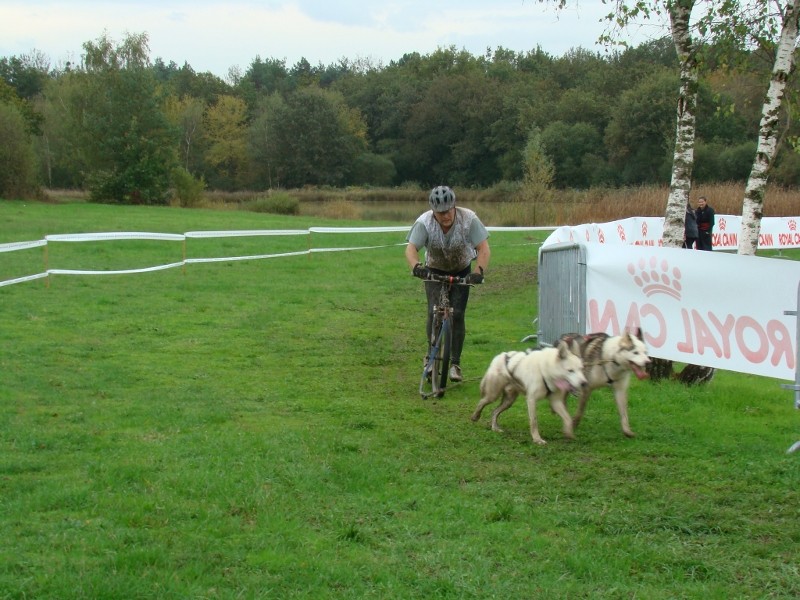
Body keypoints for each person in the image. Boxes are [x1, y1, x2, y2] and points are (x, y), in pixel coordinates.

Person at [405, 185, 491, 382]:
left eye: (448, 210)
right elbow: (411, 249)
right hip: (434, 269)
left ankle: (455, 363)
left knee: (458, 314)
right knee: (432, 312)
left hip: (461, 269)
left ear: (454, 206)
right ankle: (430, 357)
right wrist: (416, 266)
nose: (445, 216)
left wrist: (478, 271)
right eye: (440, 212)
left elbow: (484, 249)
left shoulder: (469, 219)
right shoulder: (424, 222)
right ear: (433, 212)